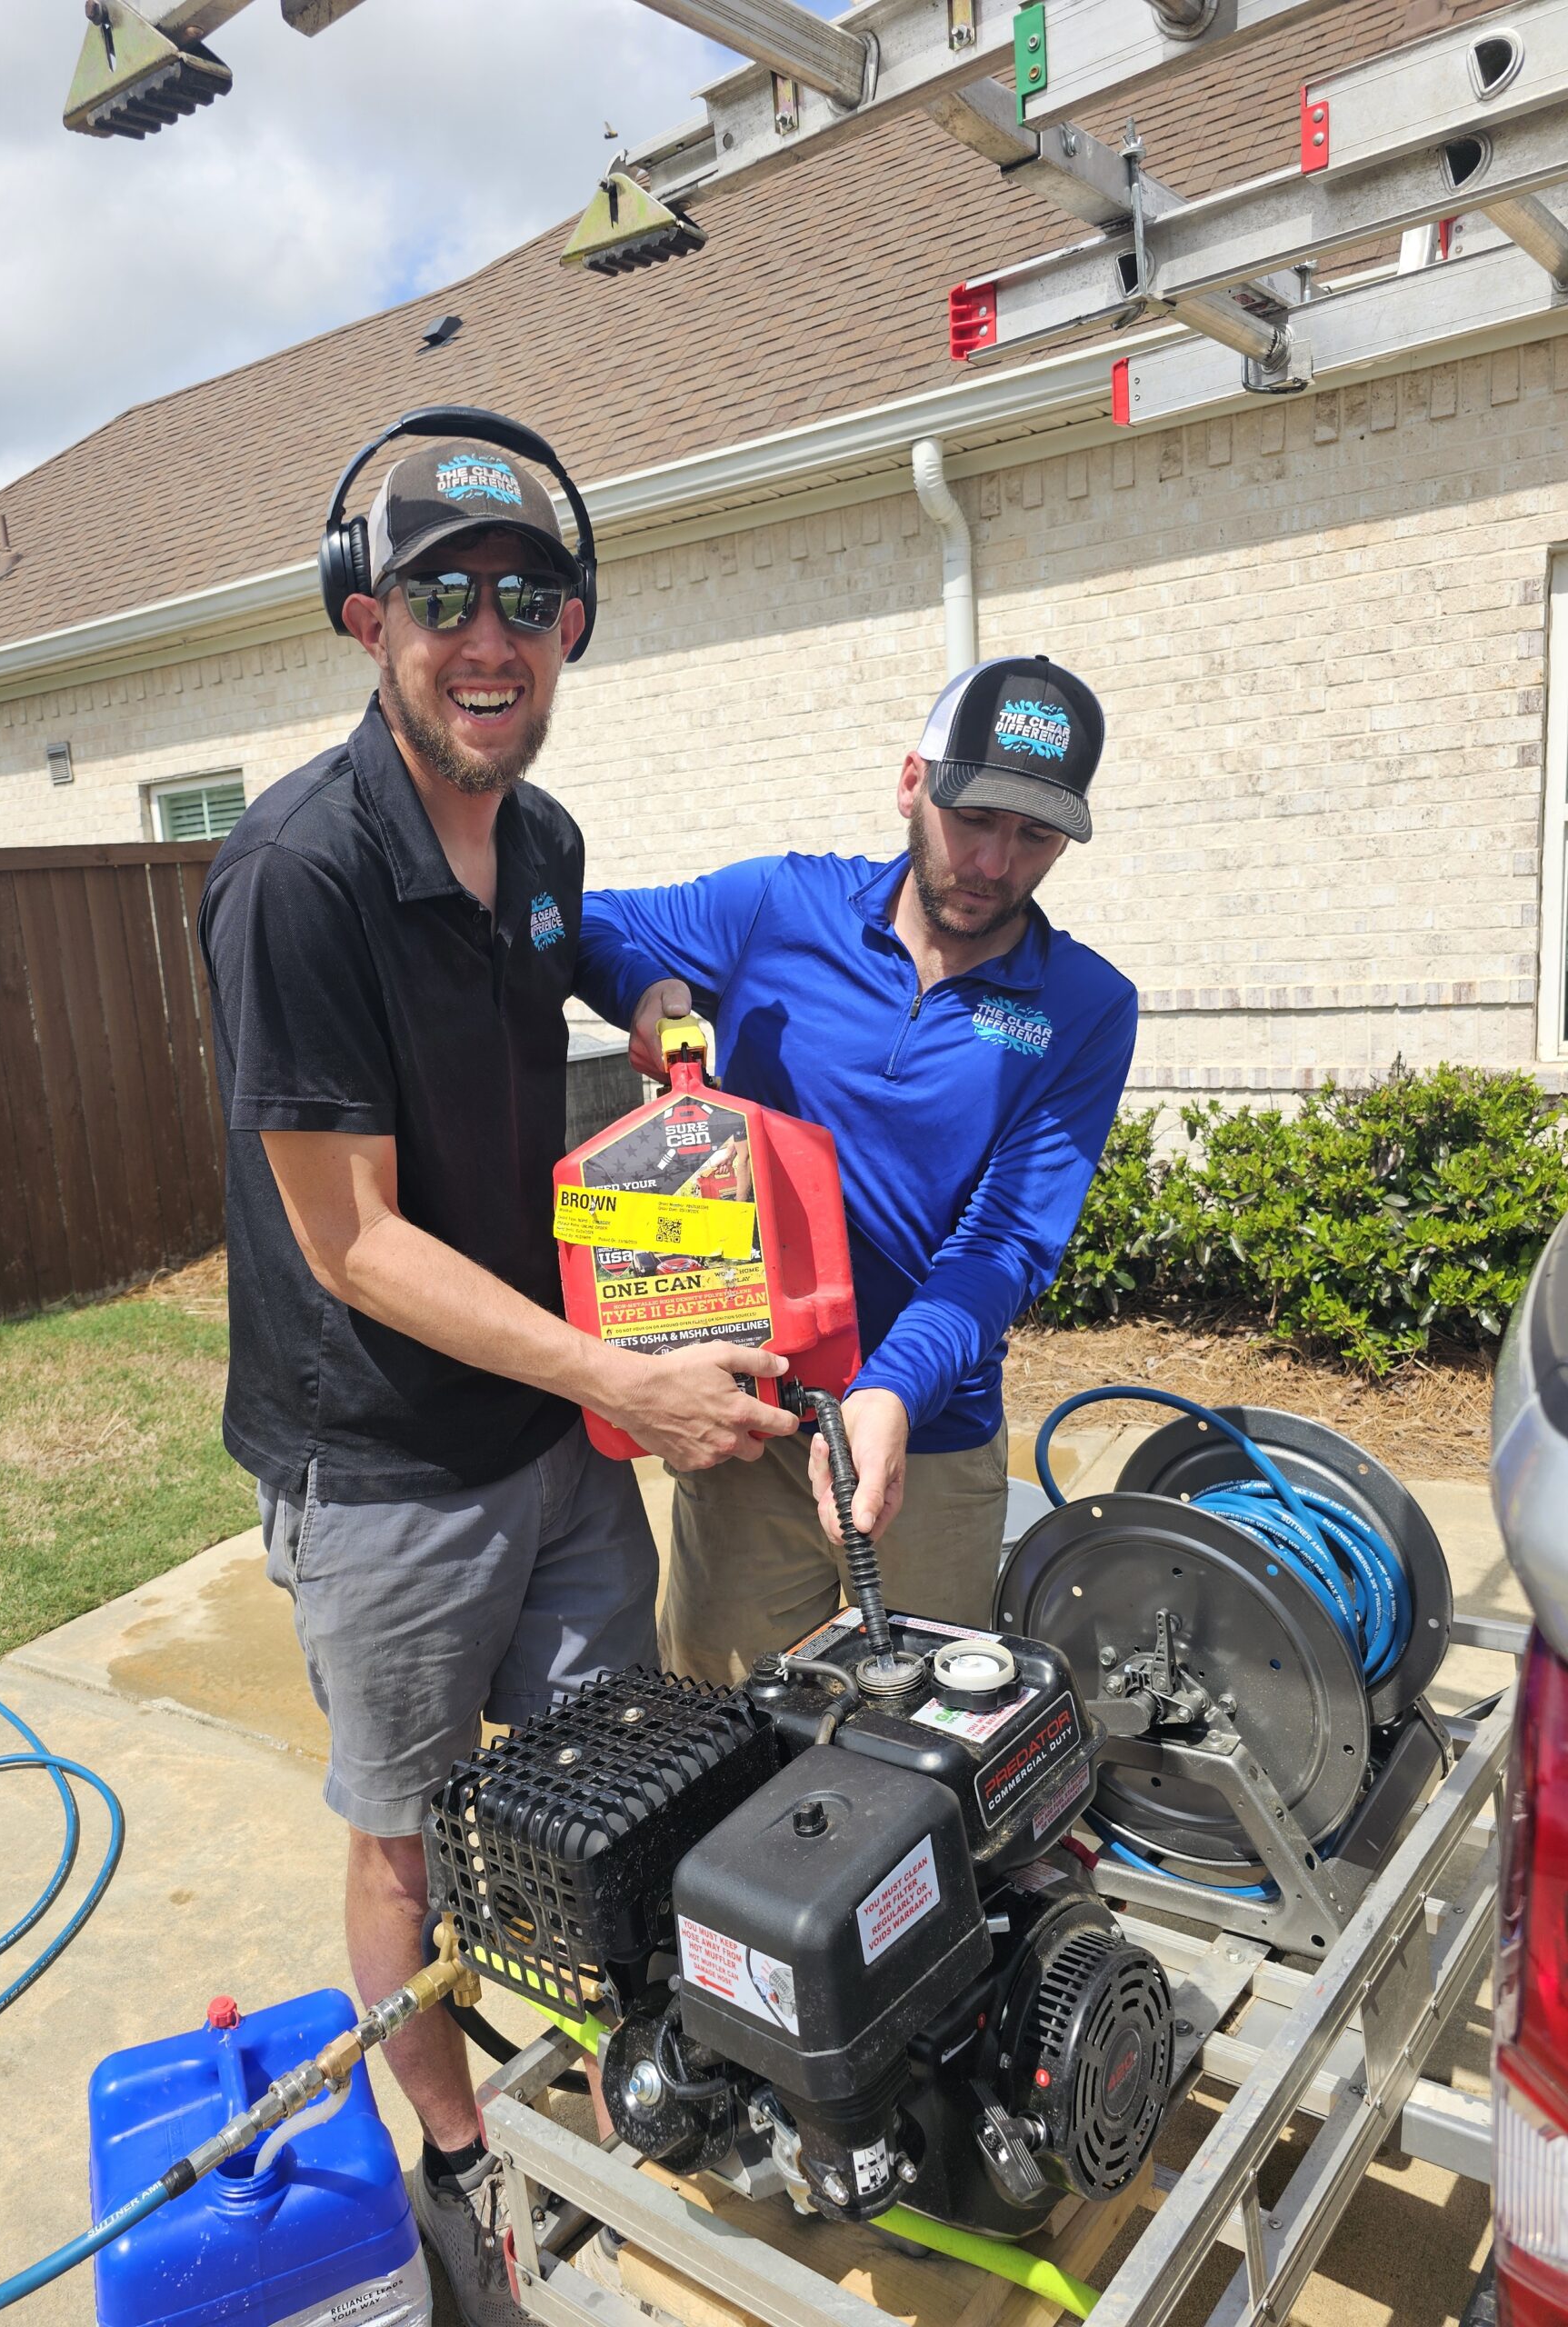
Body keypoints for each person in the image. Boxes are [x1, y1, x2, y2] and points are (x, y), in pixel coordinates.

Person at [198, 424, 797, 2327]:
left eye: (525, 600)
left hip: (543, 1436)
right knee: (401, 1822)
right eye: (442, 596)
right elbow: (350, 1241)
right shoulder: (294, 875)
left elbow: (549, 959)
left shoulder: (539, 842)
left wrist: (645, 1001)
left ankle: (624, 2069)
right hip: (375, 1465)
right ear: (365, 620)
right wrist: (629, 1378)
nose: (487, 637)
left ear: (574, 627)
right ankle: (465, 2155)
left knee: (611, 1761)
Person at [576, 654, 1136, 1683]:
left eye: (1036, 835)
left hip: (928, 1437)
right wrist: (646, 990)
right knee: (722, 1723)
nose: (997, 862)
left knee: (913, 1749)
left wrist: (890, 1392)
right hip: (749, 1419)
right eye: (975, 816)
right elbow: (585, 919)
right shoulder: (778, 907)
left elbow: (1004, 1242)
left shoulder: (1083, 1005)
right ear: (913, 782)